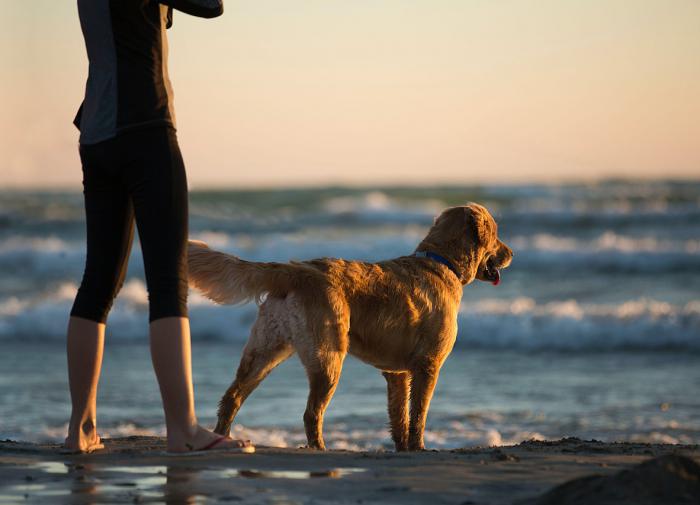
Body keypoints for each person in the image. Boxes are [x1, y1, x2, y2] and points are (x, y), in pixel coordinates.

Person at [64, 0, 252, 454]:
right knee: (167, 285)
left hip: (96, 133)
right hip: (145, 127)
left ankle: (81, 430)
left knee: (98, 282)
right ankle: (184, 431)